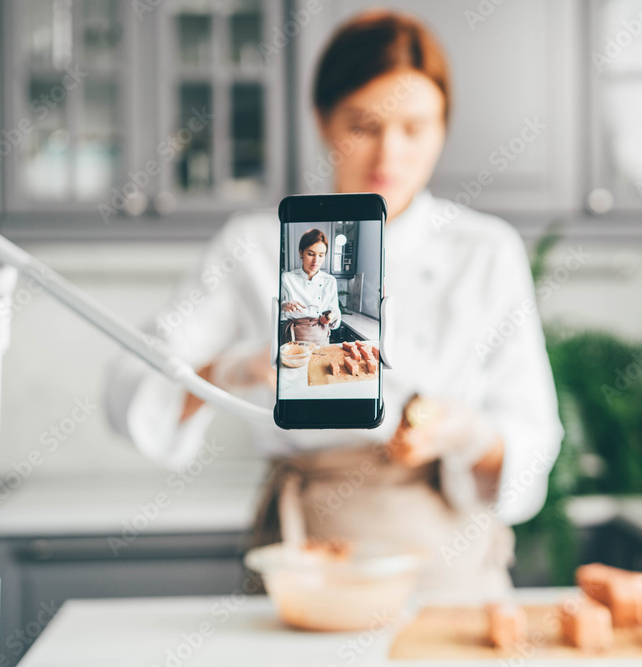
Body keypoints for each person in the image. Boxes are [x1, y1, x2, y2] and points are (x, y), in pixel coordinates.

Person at [104, 10, 562, 596]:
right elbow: (129, 389)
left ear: (443, 126)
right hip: (307, 554)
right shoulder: (255, 246)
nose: (388, 155)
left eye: (415, 128)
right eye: (363, 125)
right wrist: (238, 368)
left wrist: (466, 432)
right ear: (322, 121)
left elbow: (530, 440)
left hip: (448, 558)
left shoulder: (485, 251)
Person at [280, 228, 341, 346]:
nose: (316, 260)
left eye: (321, 255)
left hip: (320, 337)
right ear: (301, 252)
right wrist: (284, 305)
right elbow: (272, 308)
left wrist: (330, 317)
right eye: (311, 254)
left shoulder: (330, 281)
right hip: (294, 336)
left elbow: (336, 311)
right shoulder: (287, 278)